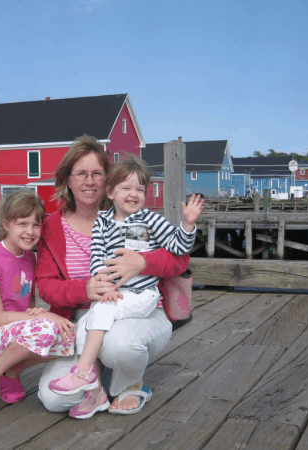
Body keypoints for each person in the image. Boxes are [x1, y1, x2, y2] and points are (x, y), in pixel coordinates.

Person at [36, 135, 190, 419]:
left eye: (97, 173)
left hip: (141, 312)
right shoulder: (51, 226)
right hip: (82, 319)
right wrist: (85, 289)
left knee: (120, 345)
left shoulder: (137, 216)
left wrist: (143, 262)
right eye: (81, 174)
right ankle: (96, 384)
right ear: (67, 180)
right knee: (54, 400)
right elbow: (45, 286)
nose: (89, 181)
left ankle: (130, 385)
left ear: (109, 181)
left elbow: (180, 260)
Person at [0, 190, 75, 417]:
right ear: (6, 224)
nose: (30, 231)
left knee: (69, 339)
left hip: (12, 334)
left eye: (36, 225)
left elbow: (27, 305)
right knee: (46, 326)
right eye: (22, 223)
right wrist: (45, 316)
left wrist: (38, 313)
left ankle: (12, 369)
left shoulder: (29, 258)